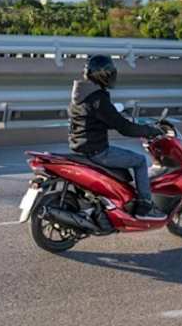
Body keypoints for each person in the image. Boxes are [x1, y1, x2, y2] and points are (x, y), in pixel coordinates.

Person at [69, 54, 167, 220]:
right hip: (98, 151)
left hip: (80, 148)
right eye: (109, 72)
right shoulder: (98, 98)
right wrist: (149, 130)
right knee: (140, 161)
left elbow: (92, 120)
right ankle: (145, 205)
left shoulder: (80, 95)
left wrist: (115, 119)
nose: (112, 75)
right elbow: (125, 128)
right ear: (101, 74)